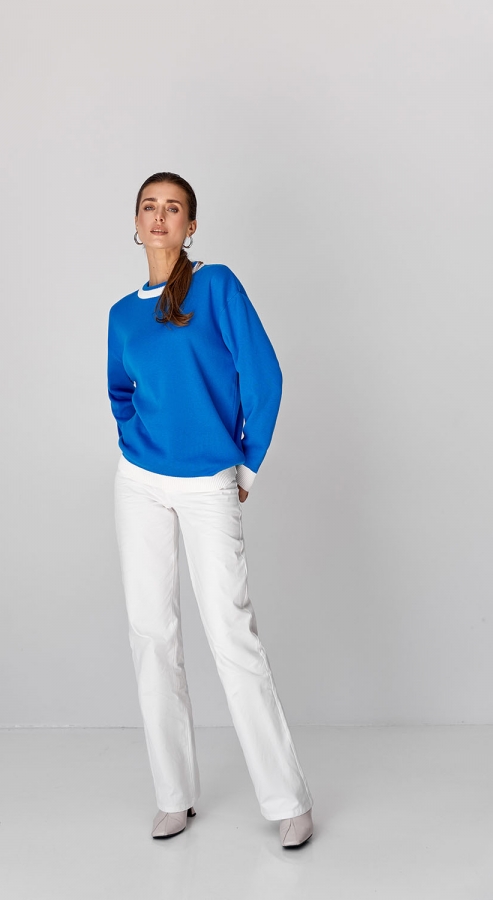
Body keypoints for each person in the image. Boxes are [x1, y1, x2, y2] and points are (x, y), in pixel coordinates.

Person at [107, 172, 314, 848]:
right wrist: (138, 443)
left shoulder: (216, 286)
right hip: (139, 484)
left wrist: (246, 464)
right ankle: (174, 795)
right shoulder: (121, 315)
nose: (159, 217)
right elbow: (120, 392)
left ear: (190, 227)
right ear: (135, 223)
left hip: (207, 484)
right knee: (151, 635)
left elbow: (265, 374)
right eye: (149, 207)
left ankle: (287, 800)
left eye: (173, 209)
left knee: (231, 634)